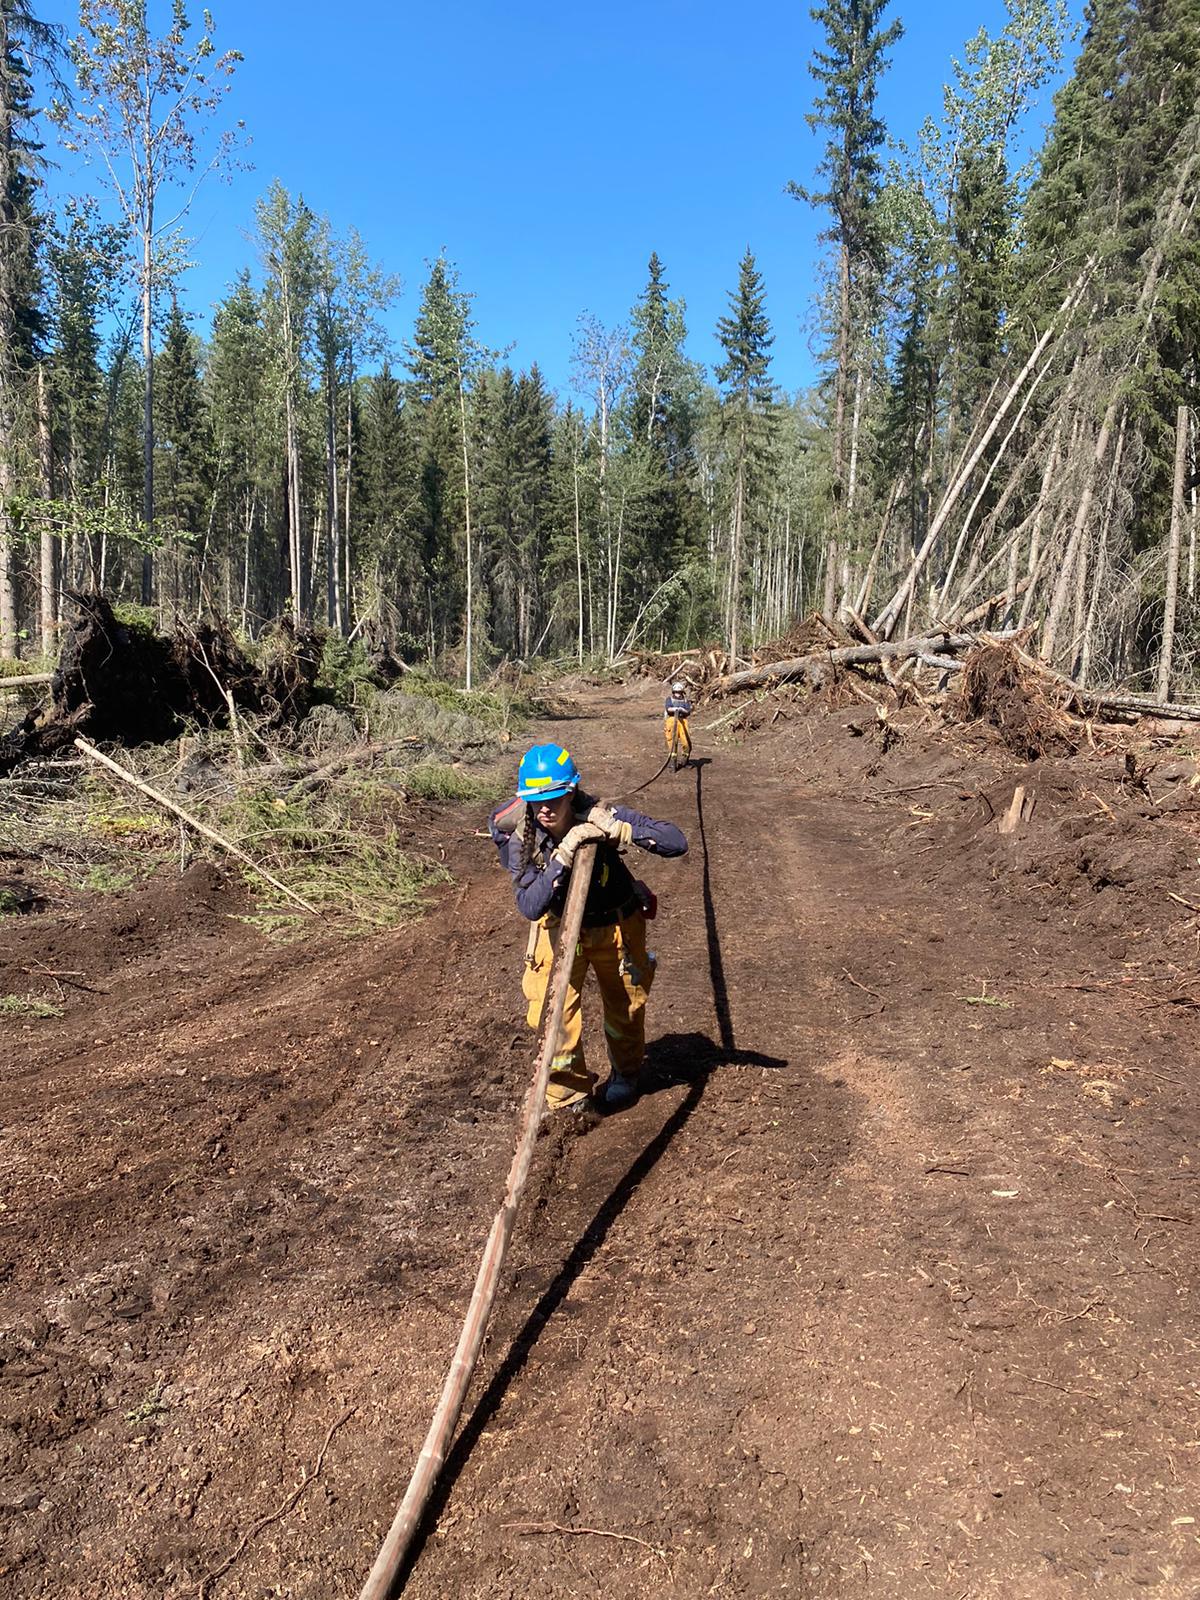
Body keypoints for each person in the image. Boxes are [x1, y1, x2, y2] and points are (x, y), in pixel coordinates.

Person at [490, 742, 687, 1113]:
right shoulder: (519, 835)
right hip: (558, 925)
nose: (545, 808)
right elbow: (530, 905)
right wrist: (563, 856)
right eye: (536, 799)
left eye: (554, 797)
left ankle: (626, 1074)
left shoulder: (599, 814)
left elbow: (677, 842)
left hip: (615, 924)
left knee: (626, 1007)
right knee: (549, 1013)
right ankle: (567, 1095)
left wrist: (620, 830)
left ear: (572, 791)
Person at [664, 680, 693, 766]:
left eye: (679, 692)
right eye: (676, 692)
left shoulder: (685, 700)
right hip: (671, 721)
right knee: (672, 741)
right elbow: (668, 708)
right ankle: (673, 761)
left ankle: (685, 759)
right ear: (673, 692)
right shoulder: (669, 699)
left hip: (683, 721)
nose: (678, 694)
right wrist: (675, 709)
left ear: (682, 692)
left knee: (686, 742)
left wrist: (682, 710)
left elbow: (688, 711)